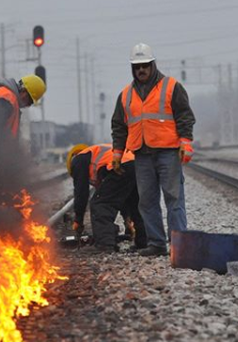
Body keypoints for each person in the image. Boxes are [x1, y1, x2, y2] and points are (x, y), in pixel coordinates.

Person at [111, 43, 196, 256]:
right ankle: (157, 244)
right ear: (132, 68)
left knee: (174, 199)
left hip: (168, 152)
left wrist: (185, 142)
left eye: (145, 65)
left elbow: (184, 115)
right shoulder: (125, 95)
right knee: (147, 201)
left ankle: (179, 246)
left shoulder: (171, 87)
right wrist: (117, 155)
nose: (141, 70)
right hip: (142, 155)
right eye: (137, 66)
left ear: (153, 65)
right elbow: (119, 126)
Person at [67, 143, 147, 254]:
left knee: (100, 204)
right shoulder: (96, 153)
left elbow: (81, 192)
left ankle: (105, 245)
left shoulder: (78, 160)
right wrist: (127, 218)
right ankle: (144, 242)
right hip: (136, 164)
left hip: (119, 165)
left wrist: (78, 220)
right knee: (135, 204)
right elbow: (121, 197)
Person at [0, 74, 46, 138]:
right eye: (30, 101)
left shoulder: (3, 93)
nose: (28, 105)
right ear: (24, 92)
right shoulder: (8, 100)